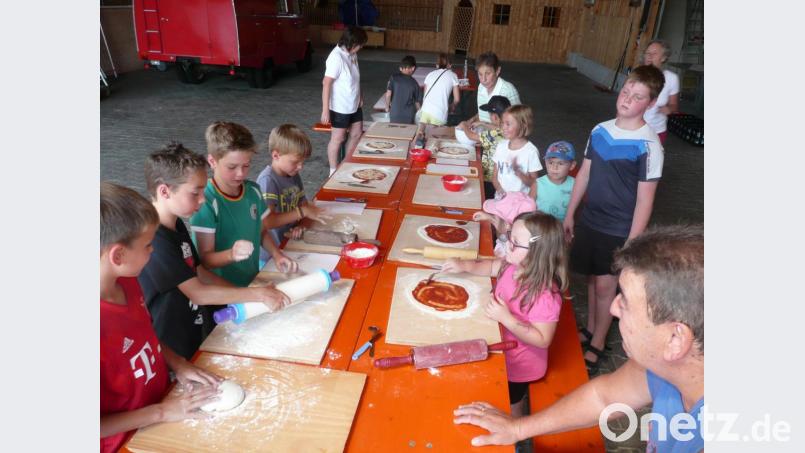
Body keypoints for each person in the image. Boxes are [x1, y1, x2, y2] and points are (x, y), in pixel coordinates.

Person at [452, 224, 704, 453]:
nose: (613, 309)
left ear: (675, 339)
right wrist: (517, 429)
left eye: (624, 301)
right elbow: (602, 397)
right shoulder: (658, 366)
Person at [139, 143, 292, 359]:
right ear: (164, 191)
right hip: (170, 346)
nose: (202, 199)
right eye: (195, 193)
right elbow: (198, 292)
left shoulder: (177, 224)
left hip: (191, 329)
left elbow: (200, 273)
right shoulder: (156, 240)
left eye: (203, 191)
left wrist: (245, 295)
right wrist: (256, 294)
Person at [100, 182, 222, 453]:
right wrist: (161, 413)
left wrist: (178, 363)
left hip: (162, 406)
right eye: (147, 245)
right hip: (126, 441)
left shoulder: (127, 281)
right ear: (118, 255)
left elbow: (145, 334)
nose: (153, 251)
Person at [563, 65, 665, 370]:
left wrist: (631, 244)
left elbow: (645, 200)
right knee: (595, 281)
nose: (626, 99)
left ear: (650, 103)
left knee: (608, 287)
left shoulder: (649, 145)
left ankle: (598, 343)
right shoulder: (600, 130)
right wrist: (570, 213)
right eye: (625, 91)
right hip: (591, 220)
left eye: (637, 97)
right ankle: (592, 328)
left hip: (617, 227)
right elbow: (583, 174)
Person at [442, 212, 568, 419]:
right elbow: (492, 266)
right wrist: (464, 265)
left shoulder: (545, 295)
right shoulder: (513, 265)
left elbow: (543, 339)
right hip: (498, 347)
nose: (507, 244)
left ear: (538, 252)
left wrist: (506, 318)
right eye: (509, 237)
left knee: (511, 401)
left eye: (515, 243)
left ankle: (514, 429)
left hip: (519, 364)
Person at [190, 121, 297, 292]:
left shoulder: (252, 191)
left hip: (252, 281)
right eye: (232, 167)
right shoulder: (206, 203)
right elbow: (205, 260)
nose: (240, 173)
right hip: (223, 291)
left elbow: (260, 231)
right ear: (212, 161)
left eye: (246, 165)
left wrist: (277, 255)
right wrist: (232, 254)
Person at [257, 123, 331, 263]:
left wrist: (300, 225)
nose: (300, 167)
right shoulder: (268, 181)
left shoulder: (292, 174)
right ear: (276, 155)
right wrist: (301, 213)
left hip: (289, 245)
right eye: (295, 162)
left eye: (303, 162)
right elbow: (267, 222)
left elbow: (303, 204)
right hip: (270, 255)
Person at [321, 26, 368, 176]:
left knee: (356, 134)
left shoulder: (352, 54)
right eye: (360, 44)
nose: (361, 47)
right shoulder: (336, 57)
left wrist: (360, 95)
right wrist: (325, 110)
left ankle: (346, 163)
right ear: (353, 43)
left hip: (354, 104)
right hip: (340, 106)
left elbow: (357, 77)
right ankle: (333, 170)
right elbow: (326, 83)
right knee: (338, 138)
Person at [457, 95, 511, 200]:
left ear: (494, 117)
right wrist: (483, 123)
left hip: (491, 178)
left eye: (490, 115)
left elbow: (471, 136)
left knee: (487, 198)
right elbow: (497, 128)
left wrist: (464, 125)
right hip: (503, 175)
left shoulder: (493, 134)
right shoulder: (508, 130)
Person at [491, 105, 542, 199]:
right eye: (502, 123)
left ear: (523, 126)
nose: (503, 127)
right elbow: (494, 177)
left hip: (520, 204)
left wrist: (518, 173)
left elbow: (535, 184)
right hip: (500, 199)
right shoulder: (501, 146)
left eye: (508, 124)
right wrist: (501, 192)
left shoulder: (531, 152)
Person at [473, 191, 536, 258]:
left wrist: (495, 259)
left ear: (507, 226)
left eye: (495, 216)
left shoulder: (513, 252)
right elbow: (502, 232)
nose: (493, 216)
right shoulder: (517, 233)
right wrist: (491, 218)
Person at [467, 51, 521, 126]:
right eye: (480, 74)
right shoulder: (481, 87)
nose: (483, 79)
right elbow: (483, 114)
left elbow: (517, 124)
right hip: (483, 131)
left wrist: (484, 125)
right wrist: (472, 120)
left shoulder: (508, 91)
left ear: (497, 71)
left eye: (488, 73)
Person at [642, 39, 680, 143]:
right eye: (648, 53)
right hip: (634, 128)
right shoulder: (637, 76)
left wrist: (669, 109)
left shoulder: (672, 78)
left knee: (651, 159)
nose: (650, 56)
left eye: (654, 53)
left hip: (656, 132)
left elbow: (674, 106)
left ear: (663, 58)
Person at [536, 141, 576, 222]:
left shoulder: (576, 185)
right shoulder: (537, 183)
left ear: (572, 165)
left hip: (563, 229)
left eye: (560, 163)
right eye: (550, 163)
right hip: (540, 228)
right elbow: (527, 208)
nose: (554, 167)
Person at [418, 53, 460, 128]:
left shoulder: (430, 75)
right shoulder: (453, 75)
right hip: (439, 113)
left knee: (422, 135)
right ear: (450, 65)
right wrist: (451, 107)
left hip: (425, 110)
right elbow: (457, 99)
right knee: (436, 138)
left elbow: (425, 96)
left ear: (437, 65)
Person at [384, 55, 421, 124]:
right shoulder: (415, 83)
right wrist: (420, 116)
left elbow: (388, 95)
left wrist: (387, 107)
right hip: (408, 116)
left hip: (395, 113)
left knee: (394, 132)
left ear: (401, 68)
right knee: (407, 134)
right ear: (413, 68)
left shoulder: (393, 78)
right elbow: (417, 103)